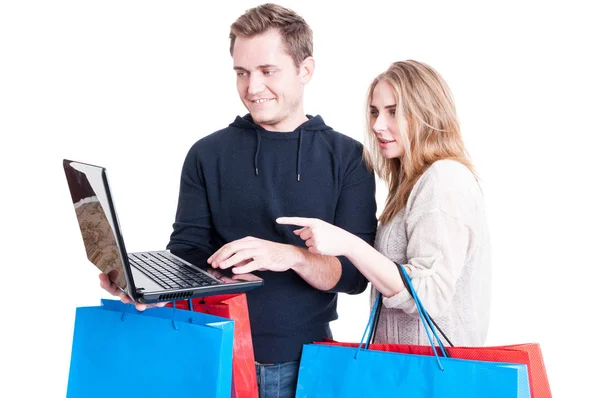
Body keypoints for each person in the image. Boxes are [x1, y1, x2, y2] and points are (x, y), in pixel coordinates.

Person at [99, 3, 377, 397]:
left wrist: (290, 255)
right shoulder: (207, 154)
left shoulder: (348, 159)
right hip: (214, 355)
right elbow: (187, 252)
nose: (252, 87)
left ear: (306, 70)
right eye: (242, 73)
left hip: (305, 364)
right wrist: (149, 288)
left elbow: (353, 277)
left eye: (267, 71)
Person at [278, 60, 491, 347]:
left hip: (429, 378)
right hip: (405, 368)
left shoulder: (443, 179)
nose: (378, 125)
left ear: (428, 115)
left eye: (394, 112)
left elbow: (430, 294)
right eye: (375, 112)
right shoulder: (415, 181)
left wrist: (349, 245)